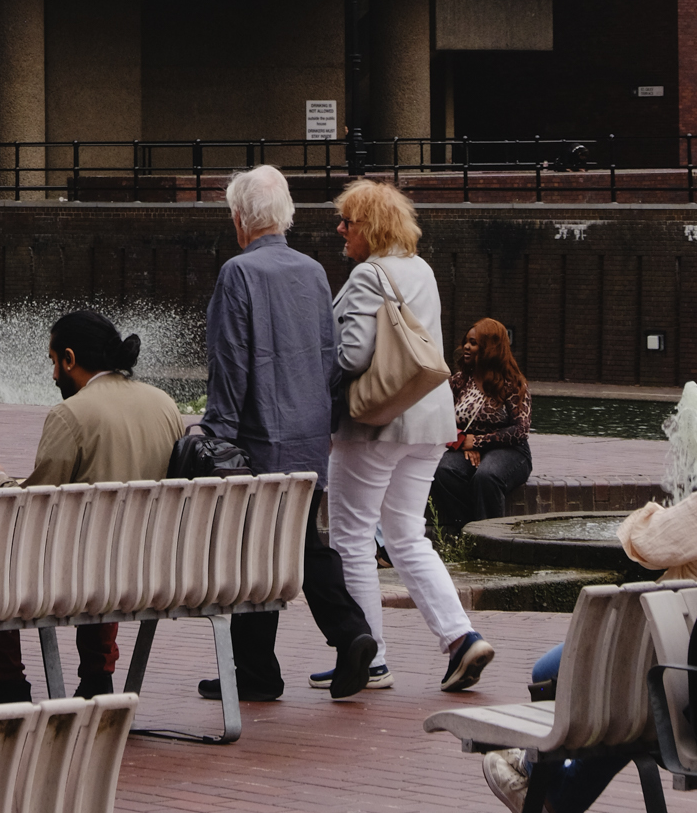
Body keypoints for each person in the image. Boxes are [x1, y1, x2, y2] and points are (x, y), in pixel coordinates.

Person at [482, 387, 697, 813]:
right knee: (633, 692)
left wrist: (654, 511)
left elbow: (646, 542)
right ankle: (546, 793)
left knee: (575, 678)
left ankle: (539, 781)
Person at [199, 164, 378, 705]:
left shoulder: (239, 273)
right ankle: (309, 650)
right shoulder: (315, 272)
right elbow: (330, 357)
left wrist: (218, 433)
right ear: (286, 216)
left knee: (256, 550)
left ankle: (281, 660)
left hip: (256, 437)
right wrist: (320, 421)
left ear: (239, 219)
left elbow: (229, 361)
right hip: (305, 434)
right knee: (296, 542)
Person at [0, 308, 184, 704]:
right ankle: (97, 675)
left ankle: (9, 685)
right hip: (151, 566)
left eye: (52, 362)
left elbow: (36, 503)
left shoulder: (71, 413)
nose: (52, 376)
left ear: (69, 358)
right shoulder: (164, 404)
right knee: (106, 544)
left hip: (79, 573)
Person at [328, 178, 494, 695]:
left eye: (347, 222)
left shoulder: (366, 276)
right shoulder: (421, 269)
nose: (341, 229)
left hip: (376, 422)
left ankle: (368, 660)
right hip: (428, 422)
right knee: (407, 536)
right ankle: (461, 637)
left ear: (369, 228)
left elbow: (352, 357)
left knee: (351, 539)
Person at [428, 319, 533, 538]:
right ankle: (467, 532)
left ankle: (493, 540)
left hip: (511, 450)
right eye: (466, 342)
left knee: (487, 476)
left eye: (474, 343)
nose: (466, 347)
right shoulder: (459, 381)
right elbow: (440, 418)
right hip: (464, 446)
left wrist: (477, 442)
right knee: (442, 471)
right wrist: (463, 442)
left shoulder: (512, 383)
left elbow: (520, 430)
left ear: (490, 348)